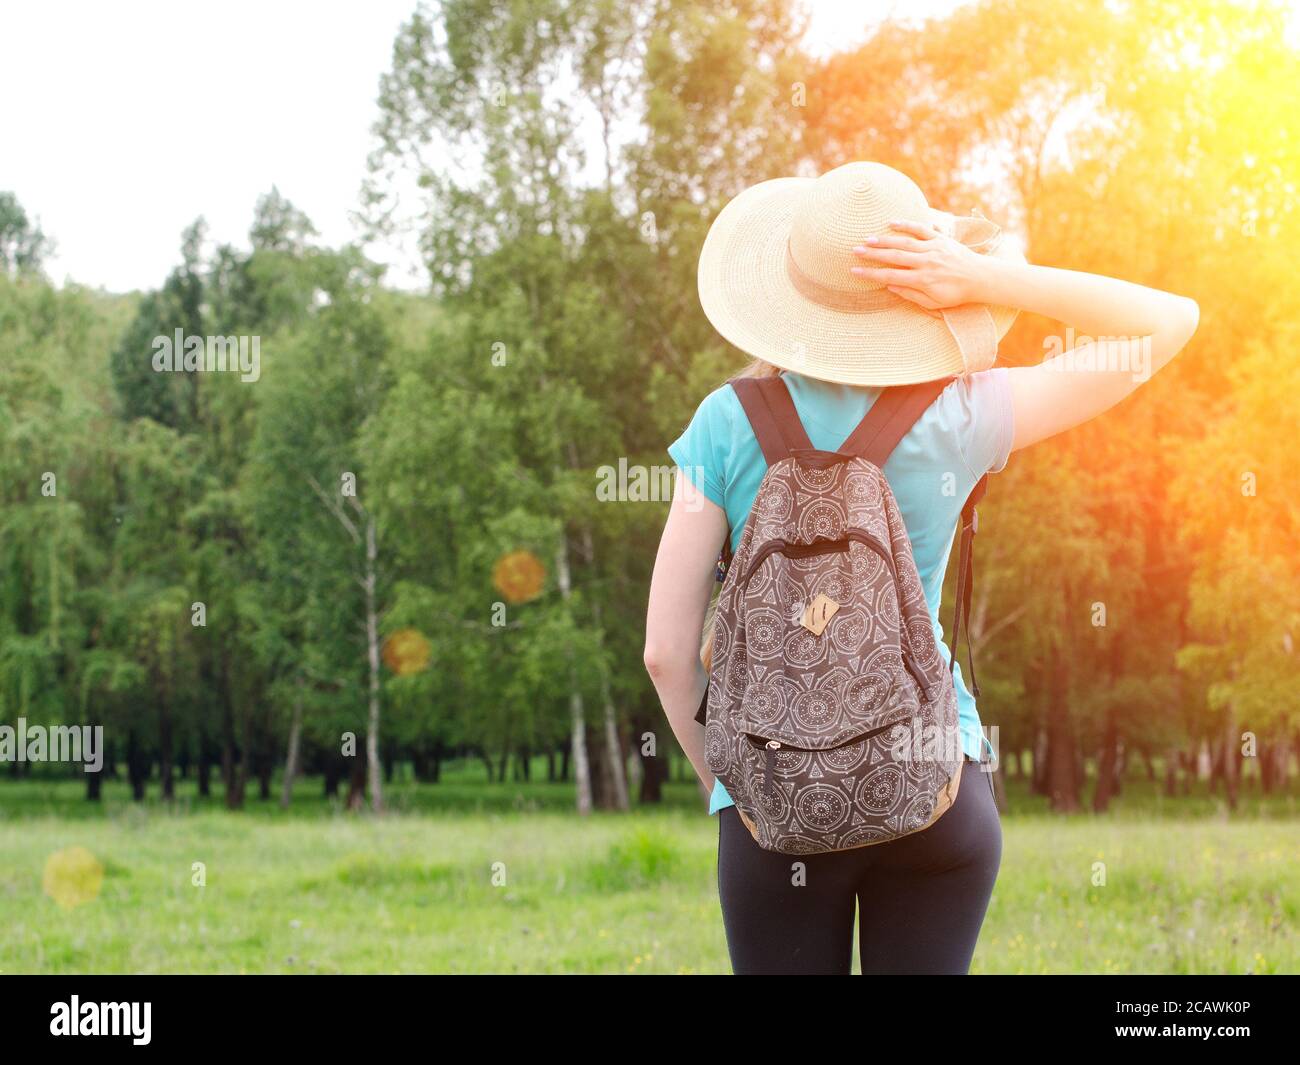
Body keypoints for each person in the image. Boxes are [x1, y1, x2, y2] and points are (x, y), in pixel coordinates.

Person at [643, 161, 1199, 975]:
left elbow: (664, 651)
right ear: (916, 296)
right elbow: (1169, 321)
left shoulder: (726, 421)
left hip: (772, 805)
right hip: (933, 790)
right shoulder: (963, 413)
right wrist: (981, 276)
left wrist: (737, 785)